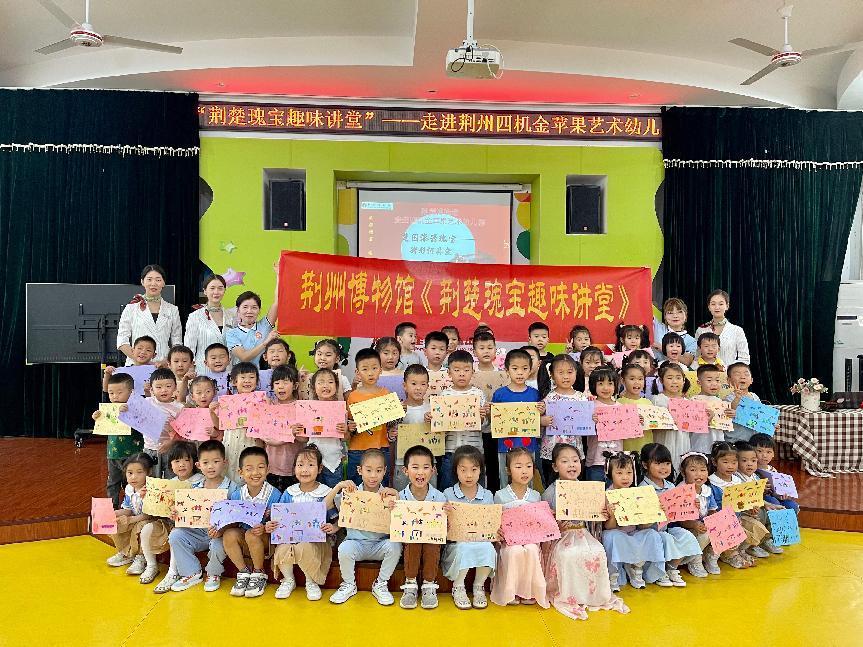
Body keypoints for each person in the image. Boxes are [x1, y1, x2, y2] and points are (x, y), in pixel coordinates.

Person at [541, 443, 628, 620]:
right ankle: (570, 595)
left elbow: (598, 521)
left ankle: (592, 595)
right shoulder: (550, 493)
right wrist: (556, 524)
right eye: (565, 461)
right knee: (568, 555)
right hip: (561, 536)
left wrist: (605, 514)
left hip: (583, 533)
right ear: (555, 467)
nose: (571, 465)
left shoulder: (589, 489)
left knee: (597, 551)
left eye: (575, 460)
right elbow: (545, 525)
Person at [330, 449, 402, 606]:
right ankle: (349, 584)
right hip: (356, 544)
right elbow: (325, 506)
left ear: (384, 471)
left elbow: (400, 524)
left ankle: (381, 584)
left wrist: (396, 499)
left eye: (378, 471)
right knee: (344, 549)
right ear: (359, 470)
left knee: (395, 546)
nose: (373, 475)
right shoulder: (352, 493)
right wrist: (338, 486)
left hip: (379, 545)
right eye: (368, 470)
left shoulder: (389, 495)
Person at [167, 440, 239, 593]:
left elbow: (237, 519)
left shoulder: (232, 488)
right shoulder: (193, 487)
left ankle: (213, 573)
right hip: (198, 532)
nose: (211, 466)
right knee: (176, 535)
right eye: (206, 463)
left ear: (225, 462)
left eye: (216, 461)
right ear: (198, 465)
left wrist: (222, 530)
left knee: (218, 544)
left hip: (220, 534)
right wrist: (176, 514)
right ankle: (191, 572)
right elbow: (185, 513)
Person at [272, 444, 339, 601]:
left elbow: (336, 518)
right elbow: (279, 518)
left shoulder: (326, 493)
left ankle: (311, 581)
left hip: (317, 540)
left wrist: (333, 527)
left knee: (305, 547)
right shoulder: (289, 493)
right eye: (300, 465)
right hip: (290, 538)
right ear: (294, 468)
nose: (304, 470)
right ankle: (288, 579)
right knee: (283, 548)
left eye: (310, 465)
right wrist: (272, 524)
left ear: (320, 468)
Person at [222, 446, 283, 598]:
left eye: (260, 467)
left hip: (266, 541)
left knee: (252, 533)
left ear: (268, 469)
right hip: (245, 540)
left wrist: (266, 526)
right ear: (241, 472)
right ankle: (243, 572)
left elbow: (281, 525)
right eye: (249, 469)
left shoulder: (275, 495)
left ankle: (259, 573)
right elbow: (232, 522)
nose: (255, 473)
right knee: (229, 534)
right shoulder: (237, 495)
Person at [491, 447, 548, 608]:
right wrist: (498, 531)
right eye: (518, 466)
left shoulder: (536, 496)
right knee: (514, 551)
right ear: (508, 470)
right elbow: (496, 522)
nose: (524, 471)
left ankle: (528, 591)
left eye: (528, 466)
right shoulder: (500, 495)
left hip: (530, 540)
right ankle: (511, 591)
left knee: (531, 549)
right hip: (509, 542)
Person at [638, 443, 702, 586]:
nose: (664, 467)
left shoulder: (671, 486)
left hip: (666, 527)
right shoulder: (643, 489)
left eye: (667, 463)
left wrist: (692, 505)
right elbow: (641, 523)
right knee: (665, 538)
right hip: (649, 531)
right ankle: (658, 573)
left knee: (686, 536)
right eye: (658, 463)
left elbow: (679, 513)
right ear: (645, 465)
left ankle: (671, 568)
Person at [442, 445, 497, 610]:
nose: (469, 475)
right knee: (464, 547)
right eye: (463, 469)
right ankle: (458, 586)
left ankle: (479, 586)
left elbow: (491, 525)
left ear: (481, 470)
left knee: (488, 548)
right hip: (456, 545)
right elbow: (442, 528)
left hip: (480, 541)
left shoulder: (487, 495)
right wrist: (445, 517)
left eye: (474, 469)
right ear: (455, 471)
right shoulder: (447, 494)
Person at [144, 442, 205, 589]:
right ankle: (151, 565)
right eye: (177, 461)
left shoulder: (202, 481)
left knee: (176, 532)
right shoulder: (169, 484)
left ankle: (172, 572)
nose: (181, 464)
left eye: (186, 460)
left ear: (194, 462)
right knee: (146, 529)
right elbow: (158, 509)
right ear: (170, 464)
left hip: (192, 527)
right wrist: (147, 497)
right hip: (169, 522)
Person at [602, 451, 667, 590]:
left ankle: (637, 568)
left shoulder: (638, 493)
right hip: (617, 533)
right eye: (619, 473)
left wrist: (654, 513)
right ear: (610, 474)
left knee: (652, 534)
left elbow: (642, 526)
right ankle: (613, 574)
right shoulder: (607, 495)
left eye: (629, 472)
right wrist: (612, 515)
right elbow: (608, 527)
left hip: (634, 533)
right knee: (612, 536)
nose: (625, 477)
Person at [431, 350, 490, 491]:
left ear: (472, 372)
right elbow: (440, 429)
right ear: (449, 373)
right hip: (451, 451)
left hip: (475, 450)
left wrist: (483, 417)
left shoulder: (478, 394)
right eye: (457, 370)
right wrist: (436, 420)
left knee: (476, 489)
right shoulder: (444, 395)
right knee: (448, 489)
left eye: (466, 370)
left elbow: (485, 427)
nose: (462, 374)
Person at [397, 444, 447, 610]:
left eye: (425, 467)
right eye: (415, 467)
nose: (420, 472)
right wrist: (392, 510)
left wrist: (448, 515)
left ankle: (429, 584)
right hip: (409, 542)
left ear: (433, 471)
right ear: (405, 471)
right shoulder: (400, 498)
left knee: (432, 542)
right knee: (414, 540)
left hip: (432, 542)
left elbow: (445, 529)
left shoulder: (440, 498)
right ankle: (410, 583)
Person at [707, 441, 767, 569]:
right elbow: (710, 509)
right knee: (731, 527)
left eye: (734, 462)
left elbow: (742, 503)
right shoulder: (711, 482)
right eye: (725, 462)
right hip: (719, 521)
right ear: (714, 462)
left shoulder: (737, 481)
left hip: (737, 517)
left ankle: (739, 550)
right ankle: (728, 555)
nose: (730, 466)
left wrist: (750, 510)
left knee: (755, 526)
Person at [491, 348, 543, 487]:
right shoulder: (500, 394)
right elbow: (493, 421)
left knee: (528, 478)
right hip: (505, 446)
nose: (520, 372)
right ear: (507, 370)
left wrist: (541, 411)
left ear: (530, 370)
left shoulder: (535, 394)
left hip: (529, 445)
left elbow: (539, 419)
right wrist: (490, 412)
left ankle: (528, 499)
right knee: (505, 478)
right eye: (515, 368)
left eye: (524, 368)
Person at [93, 372, 143, 505]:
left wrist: (129, 413)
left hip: (132, 454)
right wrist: (97, 417)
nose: (115, 396)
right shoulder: (108, 409)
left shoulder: (136, 407)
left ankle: (132, 505)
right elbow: (103, 426)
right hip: (113, 453)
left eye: (119, 393)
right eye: (111, 393)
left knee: (132, 481)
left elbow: (142, 426)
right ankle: (112, 507)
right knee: (113, 482)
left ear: (131, 392)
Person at [346, 348, 393, 485]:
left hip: (381, 447)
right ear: (357, 372)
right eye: (365, 369)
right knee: (355, 488)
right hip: (358, 450)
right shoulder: (353, 396)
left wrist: (398, 412)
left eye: (374, 368)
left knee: (381, 488)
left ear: (380, 370)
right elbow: (350, 424)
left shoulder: (386, 394)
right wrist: (351, 427)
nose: (370, 373)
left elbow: (391, 423)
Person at [117, 264, 182, 365]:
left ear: (163, 283)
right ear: (142, 282)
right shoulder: (131, 308)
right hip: (136, 364)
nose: (153, 283)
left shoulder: (172, 310)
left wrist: (165, 362)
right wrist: (140, 359)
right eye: (149, 279)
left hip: (162, 365)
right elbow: (122, 340)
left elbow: (177, 342)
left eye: (158, 280)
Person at [538, 354, 586, 484]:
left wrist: (592, 418)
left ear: (576, 373)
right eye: (560, 372)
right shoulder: (548, 397)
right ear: (552, 375)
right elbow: (536, 420)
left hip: (574, 449)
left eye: (570, 372)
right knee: (552, 484)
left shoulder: (582, 398)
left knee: (574, 485)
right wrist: (541, 420)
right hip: (552, 450)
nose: (566, 376)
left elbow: (587, 424)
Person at [299, 368, 351, 487]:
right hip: (312, 462)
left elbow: (345, 439)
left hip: (334, 462)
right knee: (314, 492)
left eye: (330, 382)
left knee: (334, 493)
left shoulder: (340, 410)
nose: (326, 385)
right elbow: (303, 439)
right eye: (321, 382)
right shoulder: (308, 410)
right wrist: (295, 432)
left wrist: (345, 431)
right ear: (313, 388)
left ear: (336, 387)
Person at [734, 441, 784, 557]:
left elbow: (757, 497)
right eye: (744, 461)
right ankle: (752, 545)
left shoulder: (755, 477)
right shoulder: (736, 478)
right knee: (760, 513)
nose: (750, 464)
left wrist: (767, 503)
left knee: (774, 511)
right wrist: (763, 504)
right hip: (743, 509)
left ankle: (766, 540)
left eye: (753, 461)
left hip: (756, 504)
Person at [105, 453, 155, 571]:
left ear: (149, 472)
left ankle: (141, 557)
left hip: (149, 521)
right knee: (115, 522)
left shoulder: (151, 489)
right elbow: (128, 509)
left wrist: (130, 520)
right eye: (130, 473)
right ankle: (126, 553)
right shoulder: (129, 488)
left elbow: (150, 514)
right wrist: (115, 514)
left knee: (141, 526)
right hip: (135, 518)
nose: (133, 477)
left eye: (139, 472)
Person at [674, 451, 721, 577]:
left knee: (724, 525)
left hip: (701, 524)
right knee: (705, 534)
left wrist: (713, 520)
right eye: (693, 470)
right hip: (686, 527)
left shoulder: (707, 489)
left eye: (703, 470)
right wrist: (694, 524)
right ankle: (694, 559)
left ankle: (711, 556)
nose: (699, 474)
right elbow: (680, 520)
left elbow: (712, 509)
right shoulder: (680, 491)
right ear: (683, 472)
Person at [263, 365, 306, 492]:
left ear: (295, 385)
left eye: (286, 382)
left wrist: (294, 434)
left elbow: (305, 438)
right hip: (271, 467)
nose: (280, 386)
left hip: (295, 467)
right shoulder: (269, 407)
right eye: (277, 383)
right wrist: (290, 433)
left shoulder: (301, 407)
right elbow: (267, 438)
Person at [219, 362, 264, 482]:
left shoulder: (262, 401)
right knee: (229, 472)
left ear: (257, 381)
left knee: (250, 472)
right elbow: (219, 425)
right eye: (243, 377)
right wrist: (213, 412)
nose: (247, 380)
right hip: (231, 442)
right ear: (234, 381)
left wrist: (267, 407)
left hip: (251, 442)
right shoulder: (227, 402)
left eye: (251, 377)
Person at [184, 274, 237, 373]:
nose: (216, 292)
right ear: (205, 291)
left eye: (220, 288)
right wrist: (190, 369)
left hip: (227, 370)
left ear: (224, 291)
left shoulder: (231, 316)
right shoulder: (195, 317)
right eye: (212, 288)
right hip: (204, 370)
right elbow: (189, 348)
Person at [394, 364, 431, 492]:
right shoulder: (398, 409)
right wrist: (398, 416)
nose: (418, 388)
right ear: (405, 386)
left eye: (423, 384)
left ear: (427, 386)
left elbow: (442, 435)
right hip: (403, 463)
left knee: (428, 499)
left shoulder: (432, 409)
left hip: (427, 465)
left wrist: (433, 422)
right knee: (402, 498)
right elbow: (390, 433)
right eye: (414, 384)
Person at [649, 363, 692, 471]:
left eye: (678, 378)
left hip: (683, 442)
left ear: (683, 380)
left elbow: (693, 426)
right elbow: (652, 424)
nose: (674, 381)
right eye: (669, 378)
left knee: (681, 468)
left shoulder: (688, 402)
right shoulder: (657, 400)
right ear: (661, 380)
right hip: (664, 440)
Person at [145, 367, 185, 476]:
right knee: (152, 479)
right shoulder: (147, 402)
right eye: (158, 387)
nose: (164, 390)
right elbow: (133, 414)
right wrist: (124, 408)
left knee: (171, 478)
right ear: (152, 390)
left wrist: (171, 442)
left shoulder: (179, 408)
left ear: (175, 387)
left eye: (168, 386)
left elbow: (183, 433)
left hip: (171, 449)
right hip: (150, 448)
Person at [226, 287, 280, 368]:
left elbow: (277, 302)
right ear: (238, 310)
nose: (249, 311)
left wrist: (280, 279)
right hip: (243, 375)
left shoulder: (265, 325)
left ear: (259, 310)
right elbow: (244, 357)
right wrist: (265, 343)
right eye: (245, 307)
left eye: (254, 307)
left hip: (265, 374)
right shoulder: (231, 334)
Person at [585, 367, 623, 482]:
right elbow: (582, 428)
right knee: (596, 491)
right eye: (600, 384)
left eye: (610, 383)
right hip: (596, 461)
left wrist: (637, 421)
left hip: (616, 461)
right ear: (593, 386)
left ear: (615, 386)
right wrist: (590, 421)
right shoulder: (589, 406)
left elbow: (628, 430)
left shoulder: (621, 408)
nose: (606, 388)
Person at [695, 290, 750, 366]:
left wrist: (727, 369)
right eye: (713, 304)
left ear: (727, 306)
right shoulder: (701, 330)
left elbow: (744, 359)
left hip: (729, 373)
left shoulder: (737, 330)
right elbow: (697, 357)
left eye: (721, 304)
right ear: (709, 307)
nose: (717, 307)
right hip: (706, 373)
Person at [749, 433, 800, 514]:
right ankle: (776, 521)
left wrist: (782, 495)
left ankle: (788, 522)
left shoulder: (772, 470)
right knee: (773, 501)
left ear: (773, 454)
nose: (764, 455)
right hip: (760, 498)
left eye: (769, 452)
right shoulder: (750, 469)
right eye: (759, 451)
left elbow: (776, 490)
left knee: (792, 505)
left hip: (773, 497)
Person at [724, 363, 770, 443]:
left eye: (746, 374)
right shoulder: (728, 399)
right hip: (735, 441)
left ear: (751, 380)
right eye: (737, 374)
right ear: (729, 380)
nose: (742, 377)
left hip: (753, 440)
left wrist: (769, 424)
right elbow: (731, 410)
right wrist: (737, 398)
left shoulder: (755, 397)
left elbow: (759, 416)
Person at [690, 365, 730, 454]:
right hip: (699, 445)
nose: (714, 384)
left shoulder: (720, 402)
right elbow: (691, 426)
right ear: (699, 382)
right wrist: (706, 420)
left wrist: (729, 416)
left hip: (718, 446)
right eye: (709, 380)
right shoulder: (694, 401)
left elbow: (725, 426)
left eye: (717, 380)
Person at [616, 364, 652, 453]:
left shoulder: (648, 403)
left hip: (646, 448)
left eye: (640, 379)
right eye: (632, 379)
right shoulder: (618, 404)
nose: (637, 382)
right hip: (626, 450)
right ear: (623, 381)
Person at [652, 298, 697, 365]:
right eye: (670, 313)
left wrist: (662, 348)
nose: (675, 316)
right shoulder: (657, 326)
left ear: (685, 315)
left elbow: (687, 361)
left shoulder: (691, 341)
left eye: (679, 312)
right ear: (665, 317)